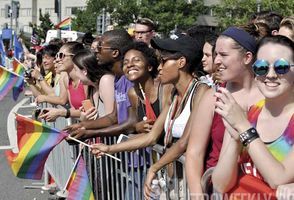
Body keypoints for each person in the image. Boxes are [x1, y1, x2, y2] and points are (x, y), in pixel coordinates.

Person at [90, 35, 208, 199]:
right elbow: (151, 137)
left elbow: (183, 142)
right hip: (171, 179)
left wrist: (154, 168)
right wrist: (108, 148)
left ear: (181, 62)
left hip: (192, 183)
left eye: (163, 61)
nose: (159, 67)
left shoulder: (201, 91)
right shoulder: (174, 94)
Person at [185, 25, 266, 199]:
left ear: (247, 57)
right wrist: (197, 195)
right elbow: (194, 153)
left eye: (223, 55)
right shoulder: (213, 96)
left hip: (261, 191)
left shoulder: (270, 95)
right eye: (215, 55)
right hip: (219, 192)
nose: (216, 62)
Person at [212, 35, 294, 199]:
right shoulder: (247, 114)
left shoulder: (243, 120)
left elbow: (278, 179)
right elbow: (220, 184)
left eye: (281, 67)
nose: (270, 75)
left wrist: (244, 128)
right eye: (262, 67)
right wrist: (235, 141)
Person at [39, 42, 86, 121]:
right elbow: (74, 109)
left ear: (75, 57)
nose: (56, 60)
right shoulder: (67, 80)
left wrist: (60, 113)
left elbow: (89, 111)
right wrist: (54, 113)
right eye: (57, 56)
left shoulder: (85, 80)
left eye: (61, 55)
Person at [72, 49, 115, 121]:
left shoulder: (106, 80)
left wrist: (88, 121)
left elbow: (112, 120)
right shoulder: (92, 87)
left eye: (75, 70)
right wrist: (87, 116)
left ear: (84, 71)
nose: (75, 74)